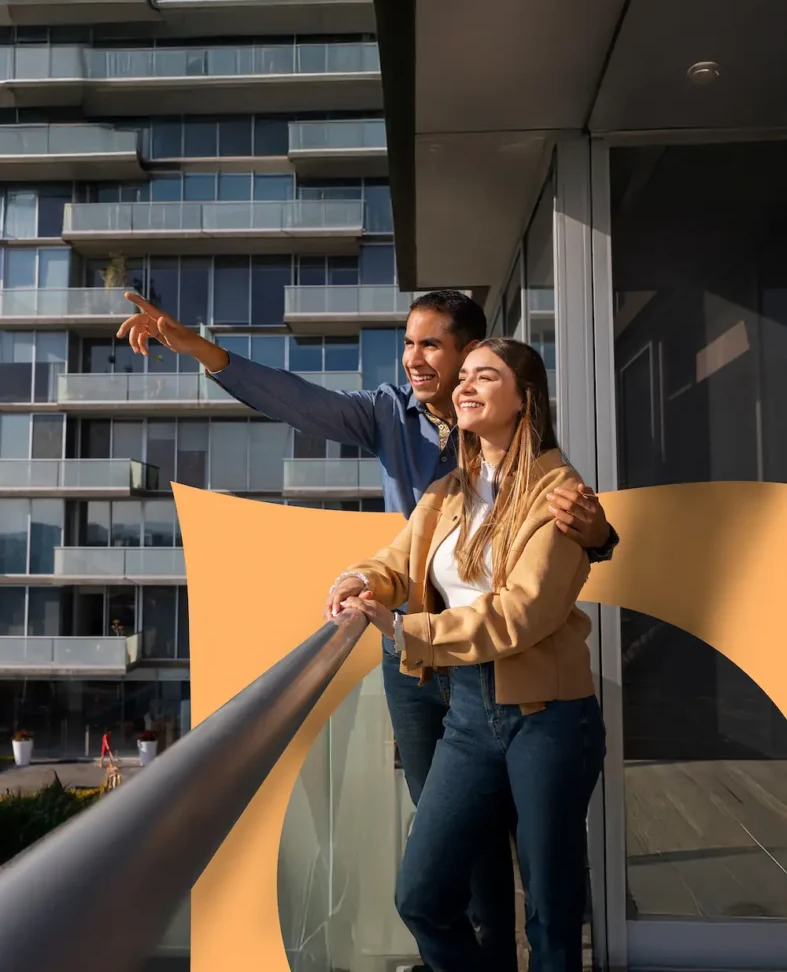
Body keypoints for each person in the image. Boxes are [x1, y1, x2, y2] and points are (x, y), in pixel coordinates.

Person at [117, 290, 617, 971]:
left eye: (436, 347)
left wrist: (597, 535)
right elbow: (306, 414)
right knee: (442, 871)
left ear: (486, 365)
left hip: (524, 691)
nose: (416, 360)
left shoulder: (550, 486)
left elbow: (531, 599)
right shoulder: (413, 443)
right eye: (408, 344)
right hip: (433, 676)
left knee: (548, 899)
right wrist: (362, 582)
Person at [326, 338, 606, 972]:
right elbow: (400, 560)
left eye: (487, 376)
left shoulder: (560, 494)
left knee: (552, 916)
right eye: (465, 377)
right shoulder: (451, 489)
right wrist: (361, 580)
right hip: (470, 715)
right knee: (422, 896)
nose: (465, 386)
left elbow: (521, 614)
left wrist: (408, 631)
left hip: (550, 718)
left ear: (523, 398)